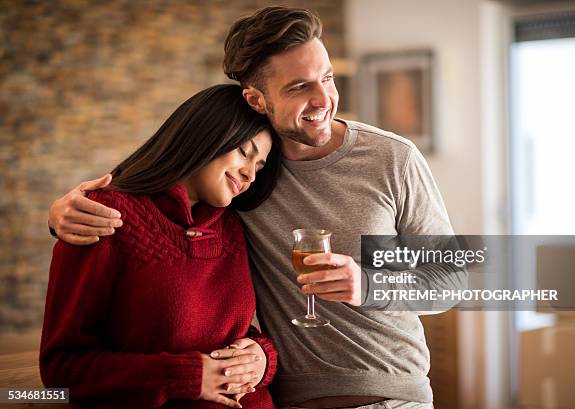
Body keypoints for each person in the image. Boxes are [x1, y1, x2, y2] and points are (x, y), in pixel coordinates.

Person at [48, 7, 467, 409]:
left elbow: (453, 279)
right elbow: (166, 195)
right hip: (287, 400)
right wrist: (67, 212)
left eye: (327, 78)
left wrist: (369, 286)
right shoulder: (242, 183)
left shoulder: (393, 158)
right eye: (299, 87)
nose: (324, 99)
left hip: (394, 398)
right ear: (255, 99)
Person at [40, 84, 282, 409]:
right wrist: (184, 378)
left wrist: (260, 357)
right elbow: (62, 370)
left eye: (260, 165)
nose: (250, 174)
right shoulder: (103, 215)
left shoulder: (234, 225)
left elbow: (224, 332)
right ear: (205, 136)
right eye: (244, 152)